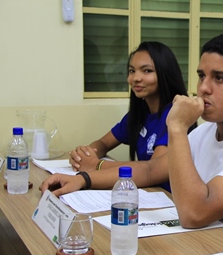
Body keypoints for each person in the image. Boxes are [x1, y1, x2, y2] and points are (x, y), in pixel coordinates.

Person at [40, 33, 223, 229]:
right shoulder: (206, 132)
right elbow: (152, 170)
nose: (204, 87)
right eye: (201, 76)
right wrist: (83, 180)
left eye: (218, 78)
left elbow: (195, 214)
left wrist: (176, 127)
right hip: (205, 245)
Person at [69, 41, 196, 192]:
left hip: (168, 200)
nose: (136, 78)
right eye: (131, 71)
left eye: (147, 71)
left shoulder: (175, 115)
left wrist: (97, 165)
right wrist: (84, 155)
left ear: (165, 73)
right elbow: (104, 142)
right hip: (145, 193)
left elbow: (152, 170)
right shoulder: (139, 113)